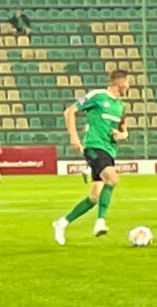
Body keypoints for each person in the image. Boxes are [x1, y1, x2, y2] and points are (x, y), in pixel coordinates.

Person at [54, 68, 131, 243]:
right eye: (127, 82)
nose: (128, 86)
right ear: (119, 82)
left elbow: (122, 129)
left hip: (109, 150)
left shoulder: (121, 105)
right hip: (94, 146)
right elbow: (69, 111)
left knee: (93, 198)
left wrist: (122, 134)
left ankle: (61, 223)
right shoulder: (97, 95)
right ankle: (100, 221)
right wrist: (74, 136)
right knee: (112, 178)